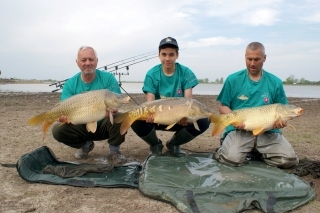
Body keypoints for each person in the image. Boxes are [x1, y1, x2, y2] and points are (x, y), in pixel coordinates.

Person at [215, 42, 299, 169]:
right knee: (231, 159)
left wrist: (281, 122)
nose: (252, 63)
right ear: (245, 57)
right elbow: (223, 106)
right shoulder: (233, 79)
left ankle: (258, 151)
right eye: (249, 59)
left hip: (268, 131)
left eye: (257, 59)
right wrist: (234, 121)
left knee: (288, 161)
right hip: (240, 129)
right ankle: (227, 147)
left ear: (264, 58)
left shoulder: (275, 82)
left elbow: (283, 110)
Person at [131, 37, 210, 157]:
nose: (167, 58)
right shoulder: (152, 74)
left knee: (204, 121)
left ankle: (174, 144)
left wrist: (186, 117)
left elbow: (188, 101)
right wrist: (149, 115)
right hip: (158, 118)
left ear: (177, 55)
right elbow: (150, 102)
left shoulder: (186, 73)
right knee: (135, 119)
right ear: (159, 55)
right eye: (164, 54)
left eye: (171, 54)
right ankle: (155, 144)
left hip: (179, 119)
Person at [52, 46, 127, 163]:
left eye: (91, 59)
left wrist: (113, 110)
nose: (88, 63)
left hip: (104, 125)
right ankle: (85, 145)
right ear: (77, 63)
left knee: (121, 117)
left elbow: (117, 99)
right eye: (83, 60)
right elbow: (63, 109)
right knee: (57, 130)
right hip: (81, 126)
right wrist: (62, 118)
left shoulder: (108, 78)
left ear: (97, 61)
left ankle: (114, 151)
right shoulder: (70, 84)